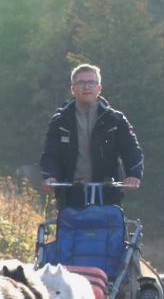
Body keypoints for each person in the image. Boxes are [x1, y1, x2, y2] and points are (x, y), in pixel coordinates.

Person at [40, 63, 143, 209]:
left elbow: (131, 151)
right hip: (71, 194)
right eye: (81, 82)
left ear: (99, 88)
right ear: (73, 88)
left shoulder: (115, 120)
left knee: (109, 230)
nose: (86, 87)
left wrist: (133, 175)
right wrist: (49, 177)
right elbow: (50, 156)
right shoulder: (60, 121)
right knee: (70, 230)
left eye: (91, 82)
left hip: (107, 194)